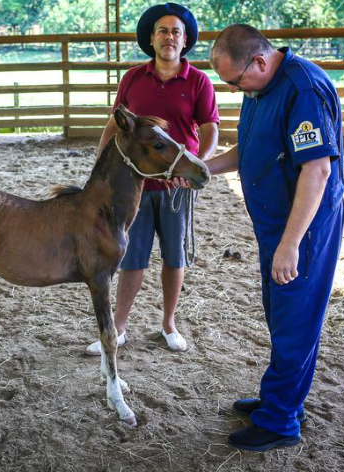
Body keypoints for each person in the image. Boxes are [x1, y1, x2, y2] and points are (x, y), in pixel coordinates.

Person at [205, 24, 344, 451]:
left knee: (294, 321)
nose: (233, 90)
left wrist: (290, 245)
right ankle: (282, 399)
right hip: (274, 225)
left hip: (302, 227)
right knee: (281, 315)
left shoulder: (303, 89)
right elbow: (247, 152)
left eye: (235, 81)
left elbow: (317, 170)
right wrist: (200, 169)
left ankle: (280, 421)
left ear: (260, 61)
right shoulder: (258, 90)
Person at [85, 3, 219, 356]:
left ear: (185, 40)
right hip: (136, 185)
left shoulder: (198, 81)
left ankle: (168, 324)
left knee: (174, 258)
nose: (169, 37)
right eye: (163, 31)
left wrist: (194, 167)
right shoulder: (132, 78)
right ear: (151, 38)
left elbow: (210, 131)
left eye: (176, 31)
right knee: (133, 258)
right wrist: (100, 164)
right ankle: (119, 327)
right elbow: (116, 125)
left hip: (177, 187)